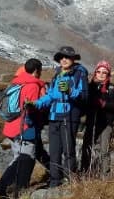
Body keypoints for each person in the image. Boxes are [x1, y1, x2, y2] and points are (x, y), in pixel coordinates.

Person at [34, 46, 88, 187]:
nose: (63, 59)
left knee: (68, 150)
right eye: (61, 57)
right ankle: (54, 181)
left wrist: (70, 91)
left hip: (69, 116)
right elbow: (51, 95)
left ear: (73, 59)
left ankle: (71, 181)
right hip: (54, 116)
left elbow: (84, 96)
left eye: (67, 57)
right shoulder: (57, 74)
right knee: (54, 150)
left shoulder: (79, 74)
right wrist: (37, 104)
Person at [0, 59, 46, 197]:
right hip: (24, 128)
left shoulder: (16, 83)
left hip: (11, 126)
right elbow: (32, 108)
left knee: (18, 158)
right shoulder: (33, 86)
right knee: (27, 158)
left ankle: (1, 186)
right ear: (36, 71)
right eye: (40, 70)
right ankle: (19, 192)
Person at [80, 60, 114, 177]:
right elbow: (83, 103)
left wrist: (104, 104)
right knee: (87, 148)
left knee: (104, 150)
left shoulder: (112, 88)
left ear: (108, 74)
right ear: (95, 73)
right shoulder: (89, 87)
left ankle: (104, 175)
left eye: (104, 72)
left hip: (106, 124)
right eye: (98, 71)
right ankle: (86, 173)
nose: (101, 74)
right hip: (91, 122)